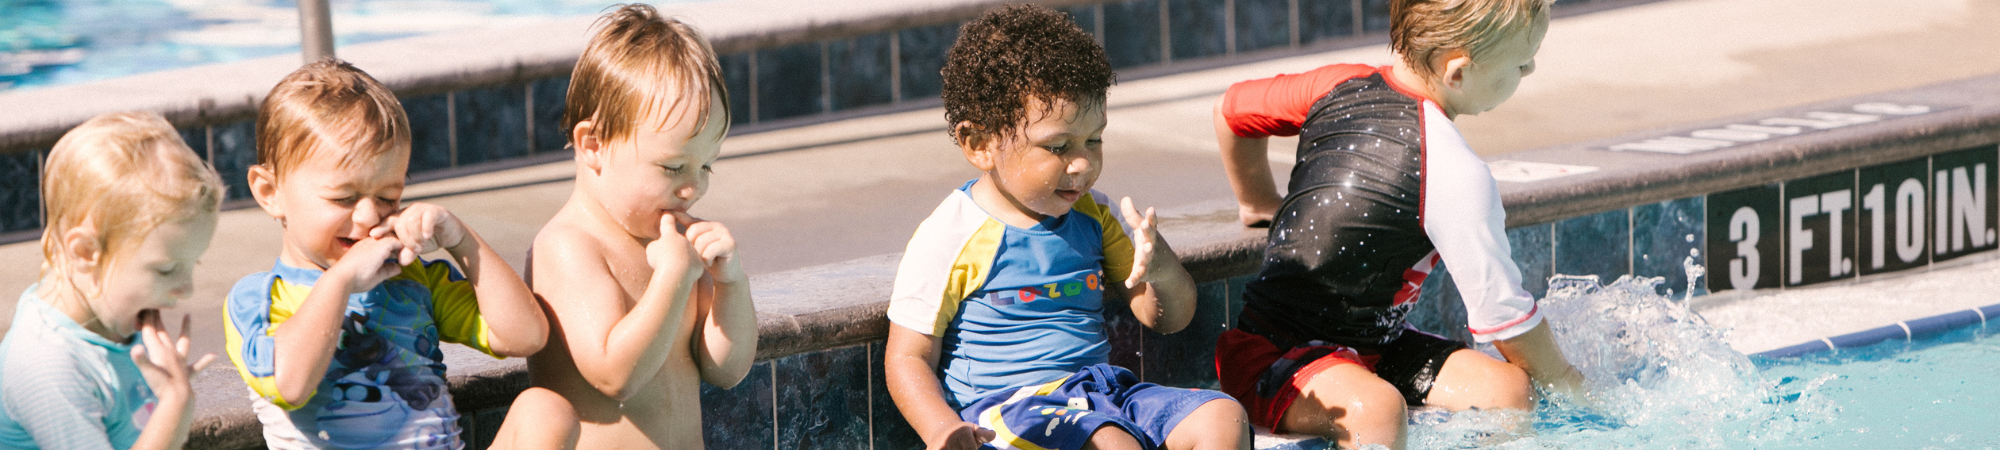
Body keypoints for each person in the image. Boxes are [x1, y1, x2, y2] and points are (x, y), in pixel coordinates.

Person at [1208, 0, 1587, 448]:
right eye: (1522, 63)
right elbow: (1504, 318)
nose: (1531, 71)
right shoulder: (1454, 171)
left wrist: (1255, 201)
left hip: (1374, 348)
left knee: (1508, 392)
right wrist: (1569, 383)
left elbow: (1232, 112)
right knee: (1377, 410)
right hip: (1269, 356)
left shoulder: (1339, 82)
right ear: (1458, 72)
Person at [883, 5, 1251, 450]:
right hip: (1009, 412)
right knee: (1112, 444)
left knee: (1223, 417)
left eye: (1094, 140)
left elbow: (1166, 318)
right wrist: (940, 428)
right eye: (1058, 146)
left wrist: (1161, 269)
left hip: (1102, 394)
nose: (1083, 163)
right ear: (980, 144)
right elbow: (908, 356)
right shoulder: (953, 233)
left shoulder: (1095, 215)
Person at [223, 59, 577, 449]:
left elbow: (525, 336)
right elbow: (289, 384)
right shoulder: (258, 299)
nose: (369, 214)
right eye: (343, 197)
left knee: (545, 411)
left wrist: (461, 239)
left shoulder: (413, 279)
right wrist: (339, 281)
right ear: (270, 193)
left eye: (388, 197)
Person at [523, 4, 757, 449]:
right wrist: (672, 278)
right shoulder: (570, 246)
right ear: (593, 145)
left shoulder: (676, 246)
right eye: (672, 167)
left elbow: (727, 369)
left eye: (707, 166)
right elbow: (615, 375)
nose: (693, 188)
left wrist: (730, 284)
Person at [0, 112, 222, 450]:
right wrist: (175, 404)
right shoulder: (49, 367)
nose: (187, 288)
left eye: (193, 264)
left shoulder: (109, 317)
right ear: (86, 251)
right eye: (165, 269)